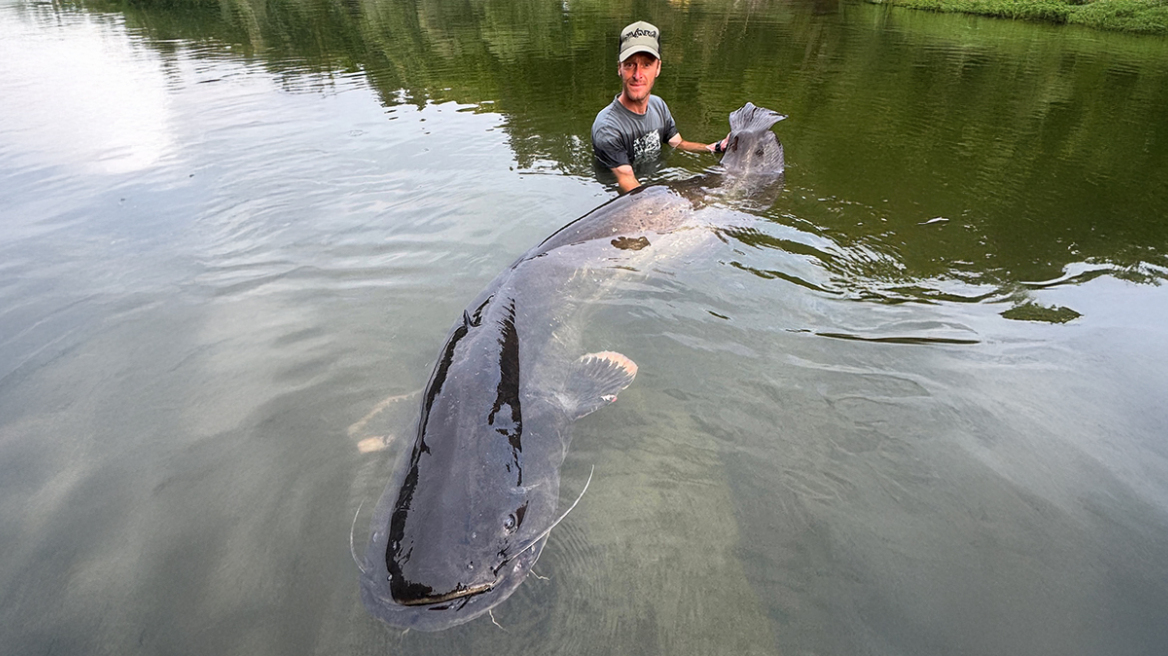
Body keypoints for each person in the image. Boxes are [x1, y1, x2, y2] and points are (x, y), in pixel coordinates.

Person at [591, 21, 728, 193]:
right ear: (620, 68)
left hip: (656, 187)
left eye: (646, 65)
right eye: (630, 64)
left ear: (658, 68)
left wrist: (715, 147)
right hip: (621, 200)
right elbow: (626, 180)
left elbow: (678, 143)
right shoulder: (608, 127)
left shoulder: (658, 105)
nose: (637, 75)